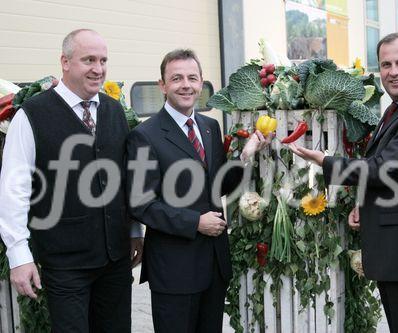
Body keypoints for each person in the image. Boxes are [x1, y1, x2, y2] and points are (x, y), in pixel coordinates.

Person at [287, 32, 398, 333]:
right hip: (394, 248)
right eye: (385, 64)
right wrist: (364, 202)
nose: (392, 72)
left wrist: (325, 161)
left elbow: (385, 169)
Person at [0, 29, 143, 332]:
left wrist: (133, 229)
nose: (99, 69)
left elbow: (125, 181)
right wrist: (18, 254)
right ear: (64, 62)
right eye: (88, 59)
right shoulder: (32, 115)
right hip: (64, 263)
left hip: (115, 260)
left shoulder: (115, 111)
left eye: (103, 60)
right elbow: (14, 187)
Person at [126, 49, 270, 333]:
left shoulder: (209, 127)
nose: (186, 85)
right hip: (174, 270)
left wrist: (245, 156)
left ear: (201, 82)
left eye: (192, 78)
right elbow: (141, 204)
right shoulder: (145, 136)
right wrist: (195, 223)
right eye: (176, 78)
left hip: (212, 265)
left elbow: (217, 185)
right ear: (162, 85)